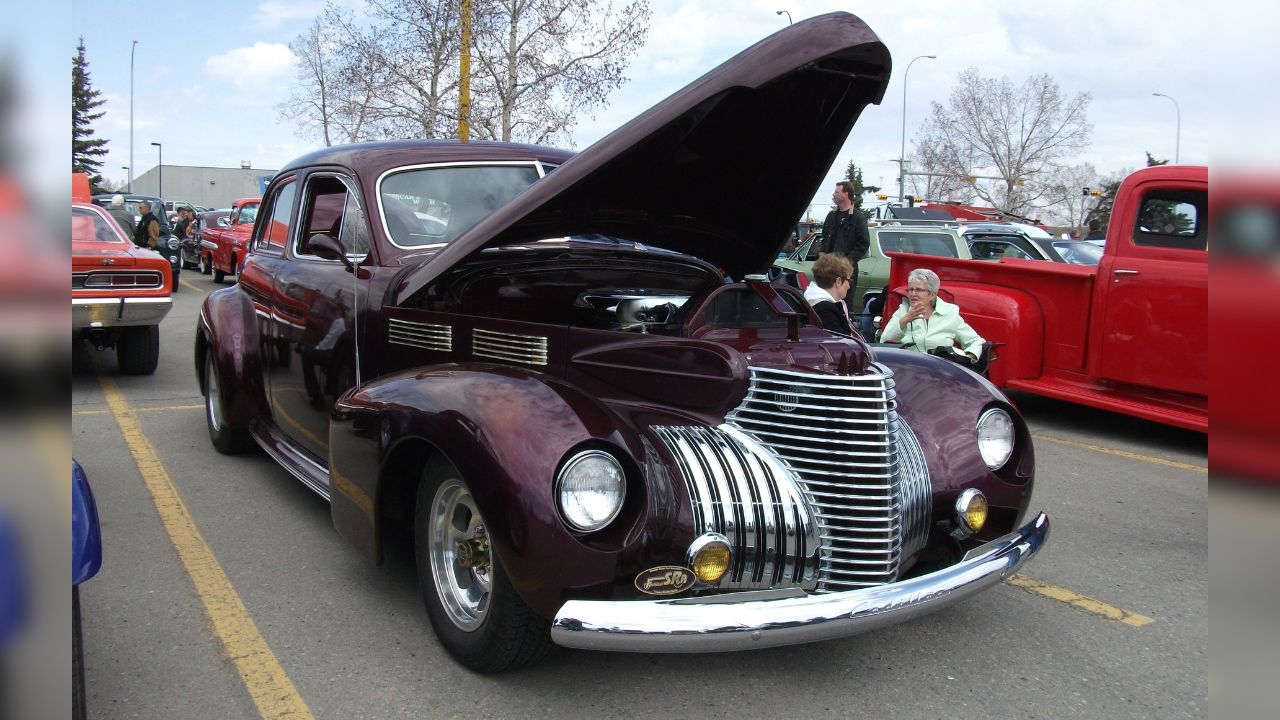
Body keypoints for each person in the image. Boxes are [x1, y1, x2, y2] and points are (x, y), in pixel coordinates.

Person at [881, 268, 985, 361]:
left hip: (940, 372)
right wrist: (905, 320)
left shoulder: (949, 312)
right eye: (910, 289)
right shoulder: (903, 311)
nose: (912, 294)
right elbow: (884, 341)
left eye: (918, 290)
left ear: (932, 295)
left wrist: (969, 357)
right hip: (910, 368)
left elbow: (975, 341)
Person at [820, 180, 870, 272]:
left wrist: (846, 261)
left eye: (836, 192)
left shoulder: (858, 217)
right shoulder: (831, 215)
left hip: (846, 270)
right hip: (828, 268)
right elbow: (824, 237)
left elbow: (863, 244)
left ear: (846, 194)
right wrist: (822, 253)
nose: (833, 194)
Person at [803, 253, 855, 336]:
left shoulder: (815, 301)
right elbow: (842, 345)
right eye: (849, 281)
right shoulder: (826, 311)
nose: (849, 286)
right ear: (838, 281)